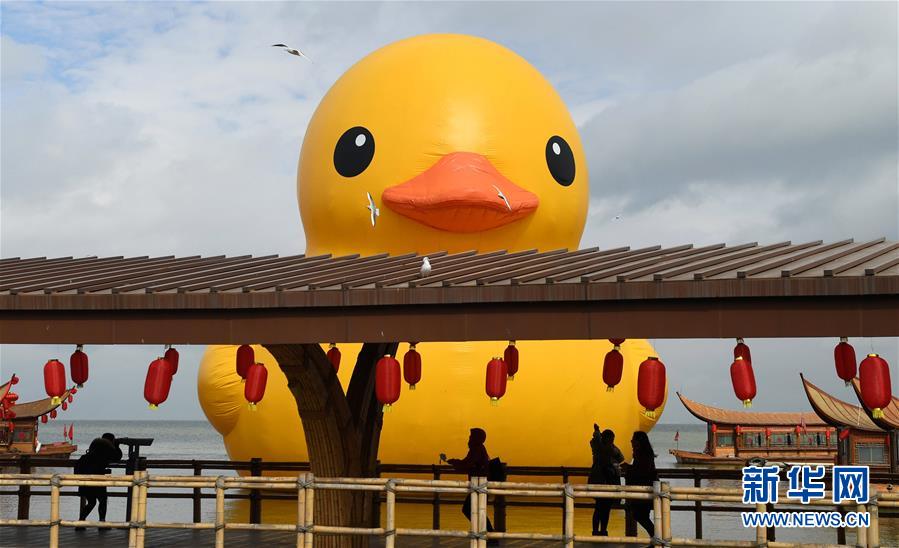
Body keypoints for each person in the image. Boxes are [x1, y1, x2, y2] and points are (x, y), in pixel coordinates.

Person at [446, 427, 494, 534]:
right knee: (477, 510)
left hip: (479, 483)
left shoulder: (476, 449)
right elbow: (467, 462)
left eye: (471, 436)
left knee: (469, 509)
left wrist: (455, 463)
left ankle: (489, 533)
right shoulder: (479, 448)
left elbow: (468, 463)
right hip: (480, 483)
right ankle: (488, 534)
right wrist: (456, 462)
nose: (469, 438)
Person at [74, 433, 122, 530]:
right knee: (103, 500)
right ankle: (102, 523)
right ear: (111, 440)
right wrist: (117, 445)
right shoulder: (107, 446)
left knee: (91, 502)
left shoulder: (95, 444)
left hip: (85, 480)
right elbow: (117, 457)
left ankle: (80, 522)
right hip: (97, 479)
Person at [621, 431, 658, 543]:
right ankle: (655, 537)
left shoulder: (642, 454)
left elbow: (642, 471)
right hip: (644, 489)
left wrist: (628, 468)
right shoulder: (643, 454)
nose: (631, 441)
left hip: (644, 489)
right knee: (641, 515)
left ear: (638, 442)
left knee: (640, 515)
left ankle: (656, 537)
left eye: (633, 439)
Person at [588, 424, 624, 536]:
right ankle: (601, 531)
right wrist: (598, 433)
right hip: (603, 480)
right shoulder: (605, 448)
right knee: (602, 508)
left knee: (602, 508)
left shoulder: (600, 448)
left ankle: (599, 530)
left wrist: (598, 433)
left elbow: (619, 457)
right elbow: (620, 457)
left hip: (603, 480)